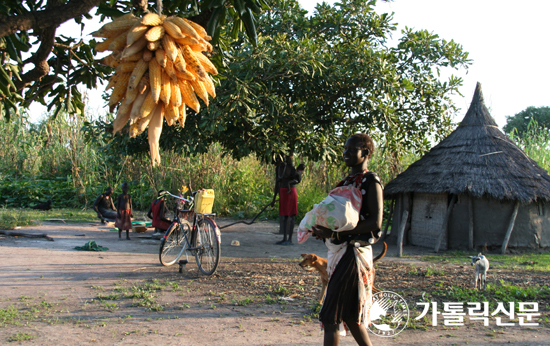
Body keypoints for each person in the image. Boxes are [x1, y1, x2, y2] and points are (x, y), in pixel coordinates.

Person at [311, 133, 383, 346]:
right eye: (345, 149)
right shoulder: (347, 182)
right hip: (340, 250)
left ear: (366, 153)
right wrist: (322, 229)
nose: (345, 153)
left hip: (353, 253)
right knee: (351, 316)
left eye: (351, 150)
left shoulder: (371, 182)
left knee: (330, 314)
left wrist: (335, 235)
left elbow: (375, 223)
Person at [269, 155, 305, 245]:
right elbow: (277, 183)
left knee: (291, 216)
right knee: (284, 216)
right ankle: (284, 238)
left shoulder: (290, 167)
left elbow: (298, 179)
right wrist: (274, 198)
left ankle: (290, 239)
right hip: (282, 191)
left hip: (291, 191)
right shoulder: (278, 168)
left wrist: (289, 183)